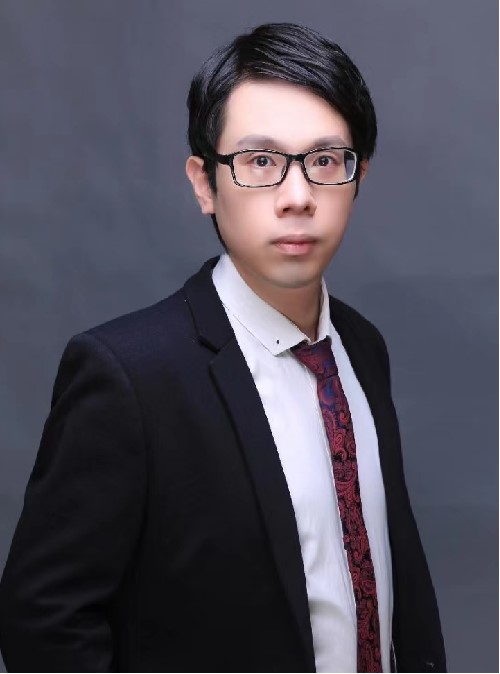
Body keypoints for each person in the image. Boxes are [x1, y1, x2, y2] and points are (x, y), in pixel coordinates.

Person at [0, 22, 446, 673]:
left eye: (325, 161)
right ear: (204, 182)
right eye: (261, 162)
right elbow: (42, 619)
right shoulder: (130, 376)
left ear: (358, 177)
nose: (298, 197)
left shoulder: (361, 347)